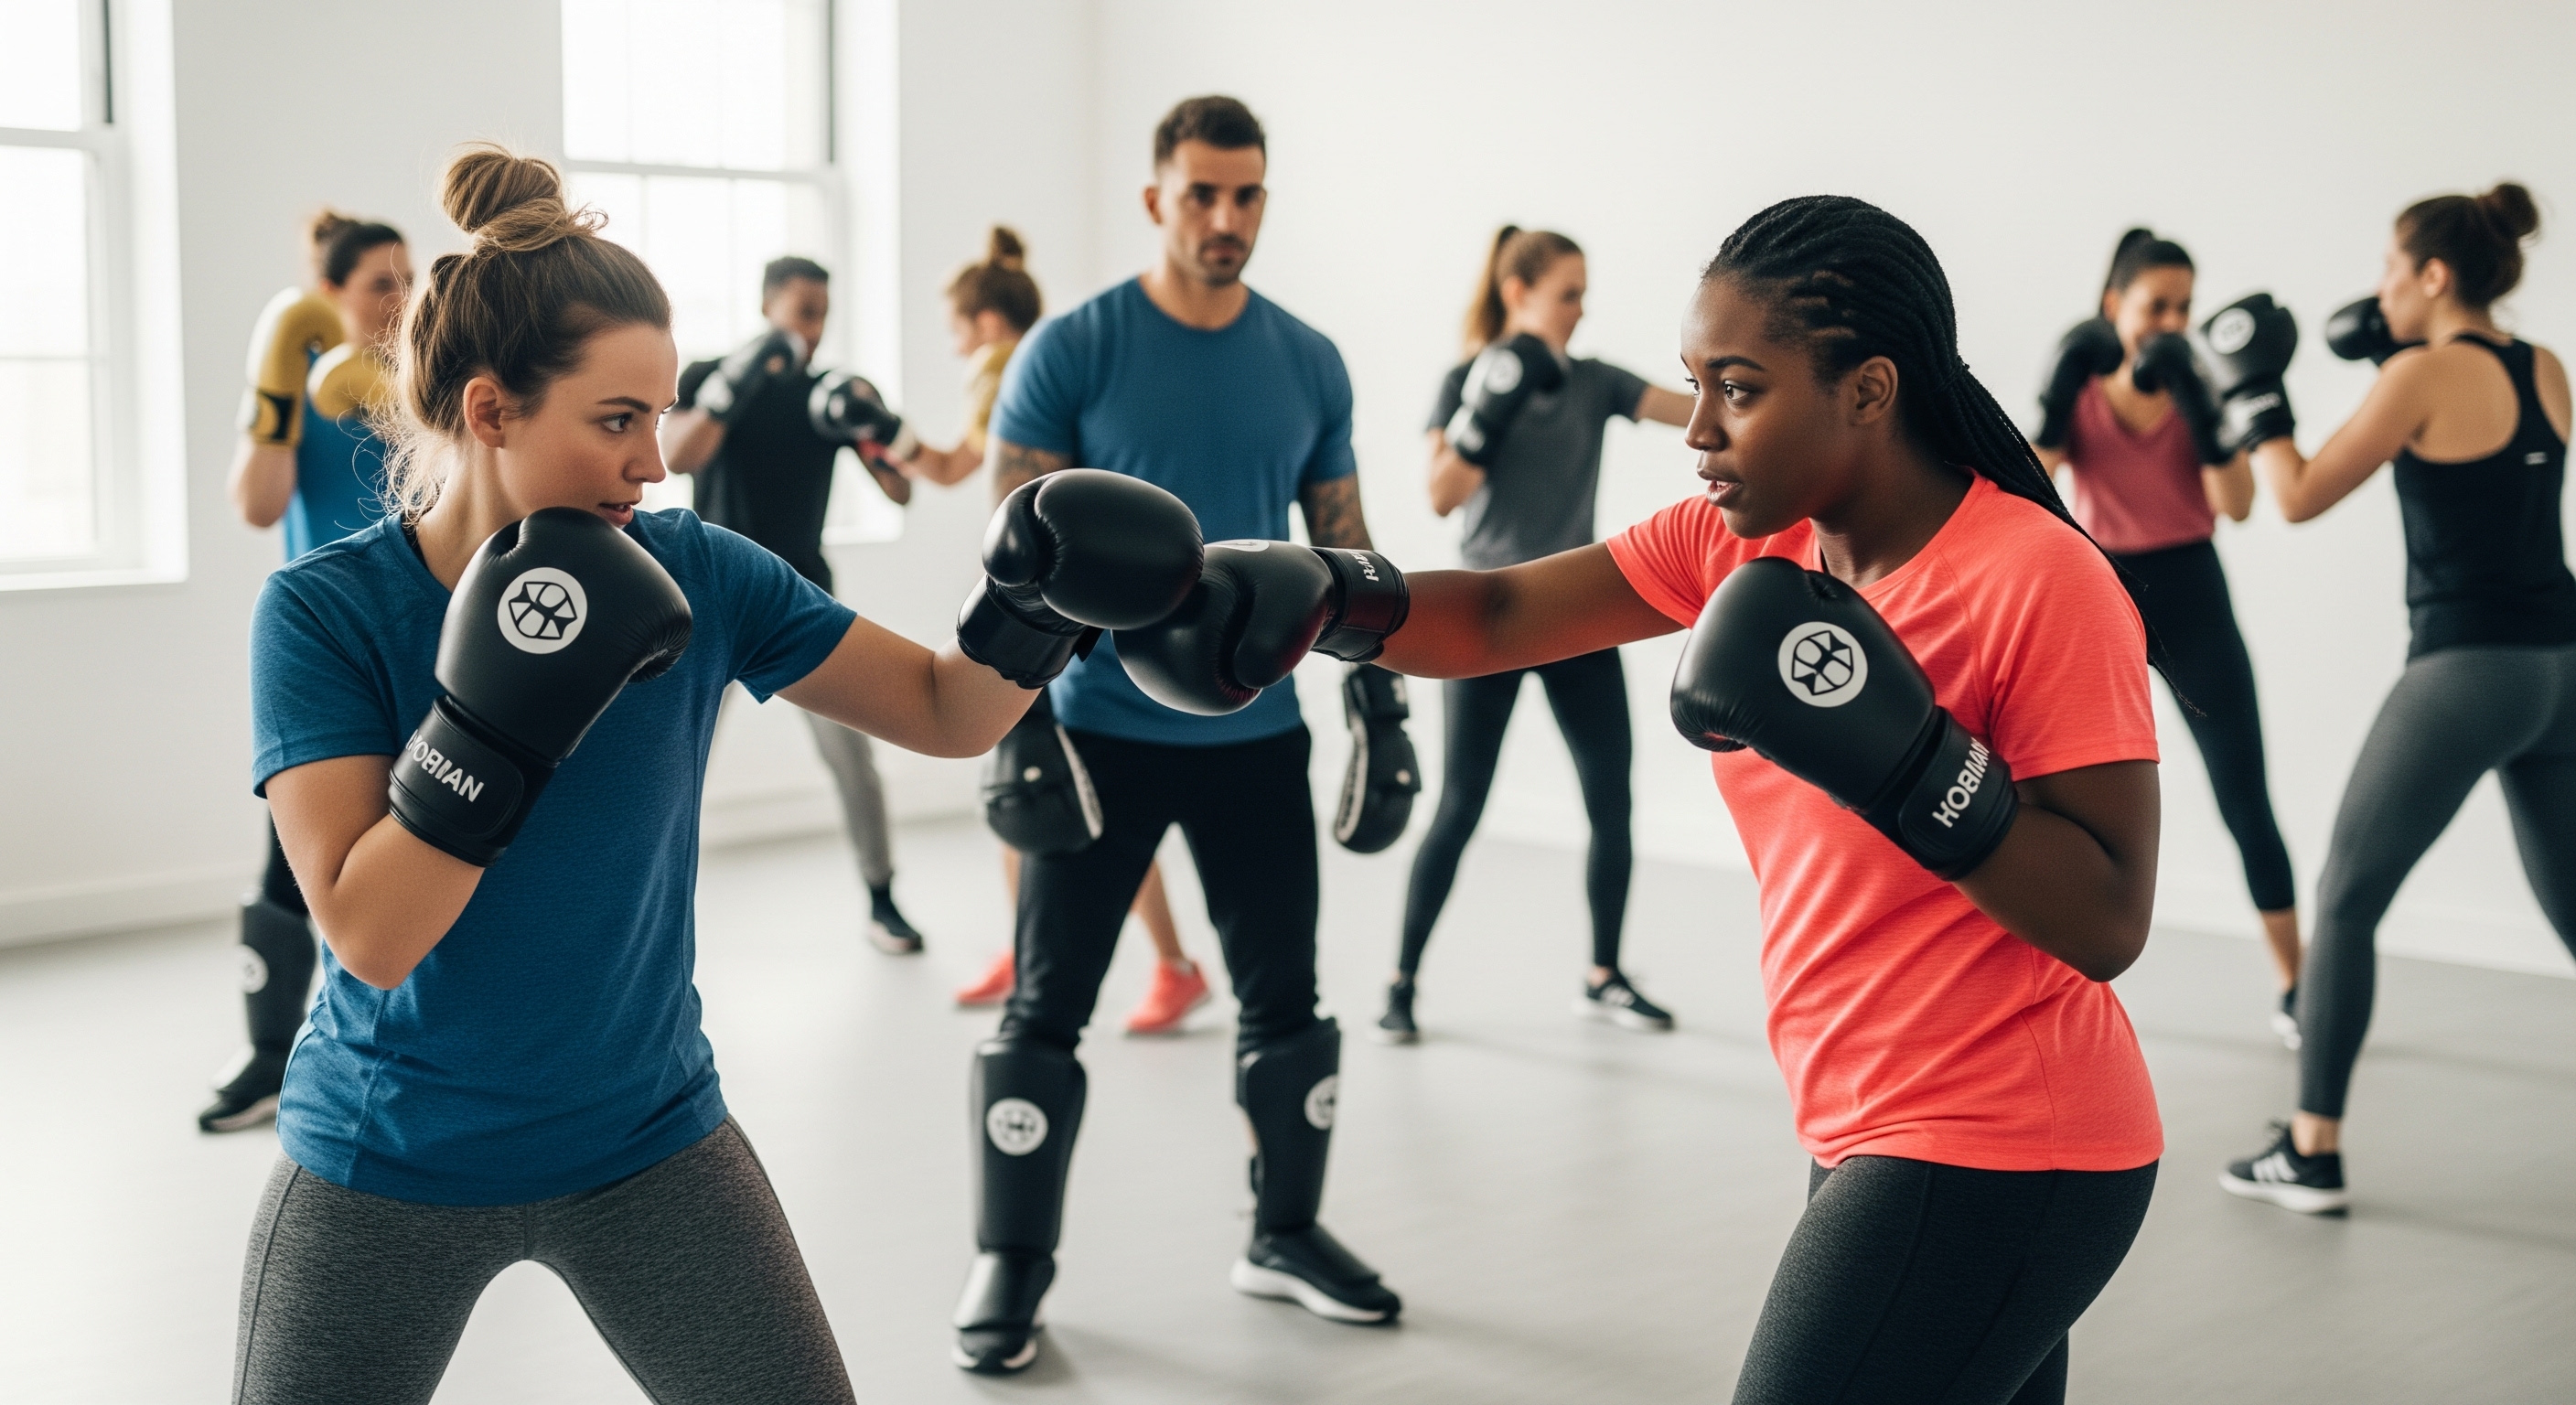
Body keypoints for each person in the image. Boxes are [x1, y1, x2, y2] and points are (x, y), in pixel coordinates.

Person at [1116, 194, 2164, 1405]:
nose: (1700, 430)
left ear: (1869, 392)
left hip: (2005, 1138)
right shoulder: (1748, 549)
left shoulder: (2040, 578)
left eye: (1740, 388)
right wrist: (1317, 598)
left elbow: (2109, 917)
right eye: (1696, 384)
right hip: (1862, 1115)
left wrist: (1907, 761)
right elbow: (1504, 613)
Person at [232, 143, 1201, 1404]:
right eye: (618, 420)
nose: (657, 462)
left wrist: (1034, 600)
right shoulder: (325, 611)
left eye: (661, 411)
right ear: (490, 410)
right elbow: (367, 933)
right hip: (387, 1157)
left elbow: (943, 708)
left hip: (649, 1140)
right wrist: (499, 720)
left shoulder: (697, 568)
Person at [948, 96, 1401, 1376]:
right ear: (1156, 197)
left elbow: (1345, 547)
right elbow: (1014, 562)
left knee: (1288, 1005)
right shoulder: (1072, 350)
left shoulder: (1308, 361)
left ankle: (1288, 1233)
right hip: (1100, 733)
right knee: (1046, 1014)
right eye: (1202, 194)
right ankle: (1014, 1262)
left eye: (1246, 195)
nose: (1226, 220)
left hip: (1258, 732)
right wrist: (1018, 719)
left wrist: (1378, 694)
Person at [2223, 182, 2574, 1216]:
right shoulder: (2542, 366)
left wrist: (2255, 392)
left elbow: (2290, 495)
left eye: (2389, 268)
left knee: (2341, 900)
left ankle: (2310, 1150)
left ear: (2431, 275)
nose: (2375, 288)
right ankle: (2307, 1142)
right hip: (2560, 664)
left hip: (2466, 670)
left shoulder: (2417, 375)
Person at [1377, 225, 1693, 1045]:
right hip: (1485, 618)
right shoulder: (1465, 378)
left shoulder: (1595, 384)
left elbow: (1687, 411)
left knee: (1610, 799)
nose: (1582, 311)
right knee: (1461, 805)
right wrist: (1492, 403)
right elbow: (1442, 495)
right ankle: (1401, 983)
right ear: (1519, 293)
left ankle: (1604, 973)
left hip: (1578, 613)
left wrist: (1777, 387)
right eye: (1568, 294)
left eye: (1585, 293)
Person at [916, 228, 1210, 1033]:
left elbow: (948, 468)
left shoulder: (1002, 369)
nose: (951, 341)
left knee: (1067, 790)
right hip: (1063, 590)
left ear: (982, 320)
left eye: (954, 324)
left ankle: (1171, 964)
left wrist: (885, 438)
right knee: (1030, 781)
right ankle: (1033, 945)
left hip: (1052, 600)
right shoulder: (1042, 359)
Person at [2030, 229, 2304, 1046]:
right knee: (2057, 795)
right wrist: (2051, 399)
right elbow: (2028, 495)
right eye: (2157, 305)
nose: (2172, 321)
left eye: (2184, 306)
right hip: (2099, 595)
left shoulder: (2198, 383)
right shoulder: (2079, 387)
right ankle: (2042, 987)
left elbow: (2241, 501)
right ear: (2114, 306)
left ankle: (2297, 988)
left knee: (2243, 794)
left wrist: (2202, 406)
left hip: (2191, 594)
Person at [202, 211, 411, 1132]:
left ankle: (403, 1053)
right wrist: (277, 386)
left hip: (419, 636)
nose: (398, 301)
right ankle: (266, 1058)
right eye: (378, 284)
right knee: (298, 862)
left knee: (422, 842)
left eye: (410, 282)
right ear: (330, 294)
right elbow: (257, 505)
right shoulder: (304, 374)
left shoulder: (416, 385)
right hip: (325, 646)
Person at [658, 256, 928, 952]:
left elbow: (900, 491)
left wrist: (878, 422)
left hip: (800, 603)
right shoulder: (712, 374)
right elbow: (678, 455)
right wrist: (732, 389)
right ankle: (648, 913)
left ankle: (882, 900)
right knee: (673, 761)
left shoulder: (827, 396)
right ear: (768, 305)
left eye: (823, 313)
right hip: (707, 603)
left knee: (852, 760)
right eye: (803, 310)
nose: (813, 328)